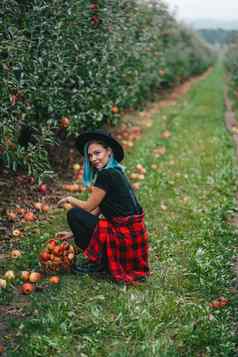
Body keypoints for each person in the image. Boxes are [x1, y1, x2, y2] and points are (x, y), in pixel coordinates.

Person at [57, 129, 150, 283]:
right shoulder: (115, 172)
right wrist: (72, 233)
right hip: (133, 237)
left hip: (124, 236)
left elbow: (86, 208)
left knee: (74, 214)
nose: (93, 158)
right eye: (90, 155)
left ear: (108, 152)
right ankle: (103, 260)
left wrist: (69, 198)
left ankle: (99, 263)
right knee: (78, 217)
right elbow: (94, 212)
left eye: (97, 153)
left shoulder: (106, 175)